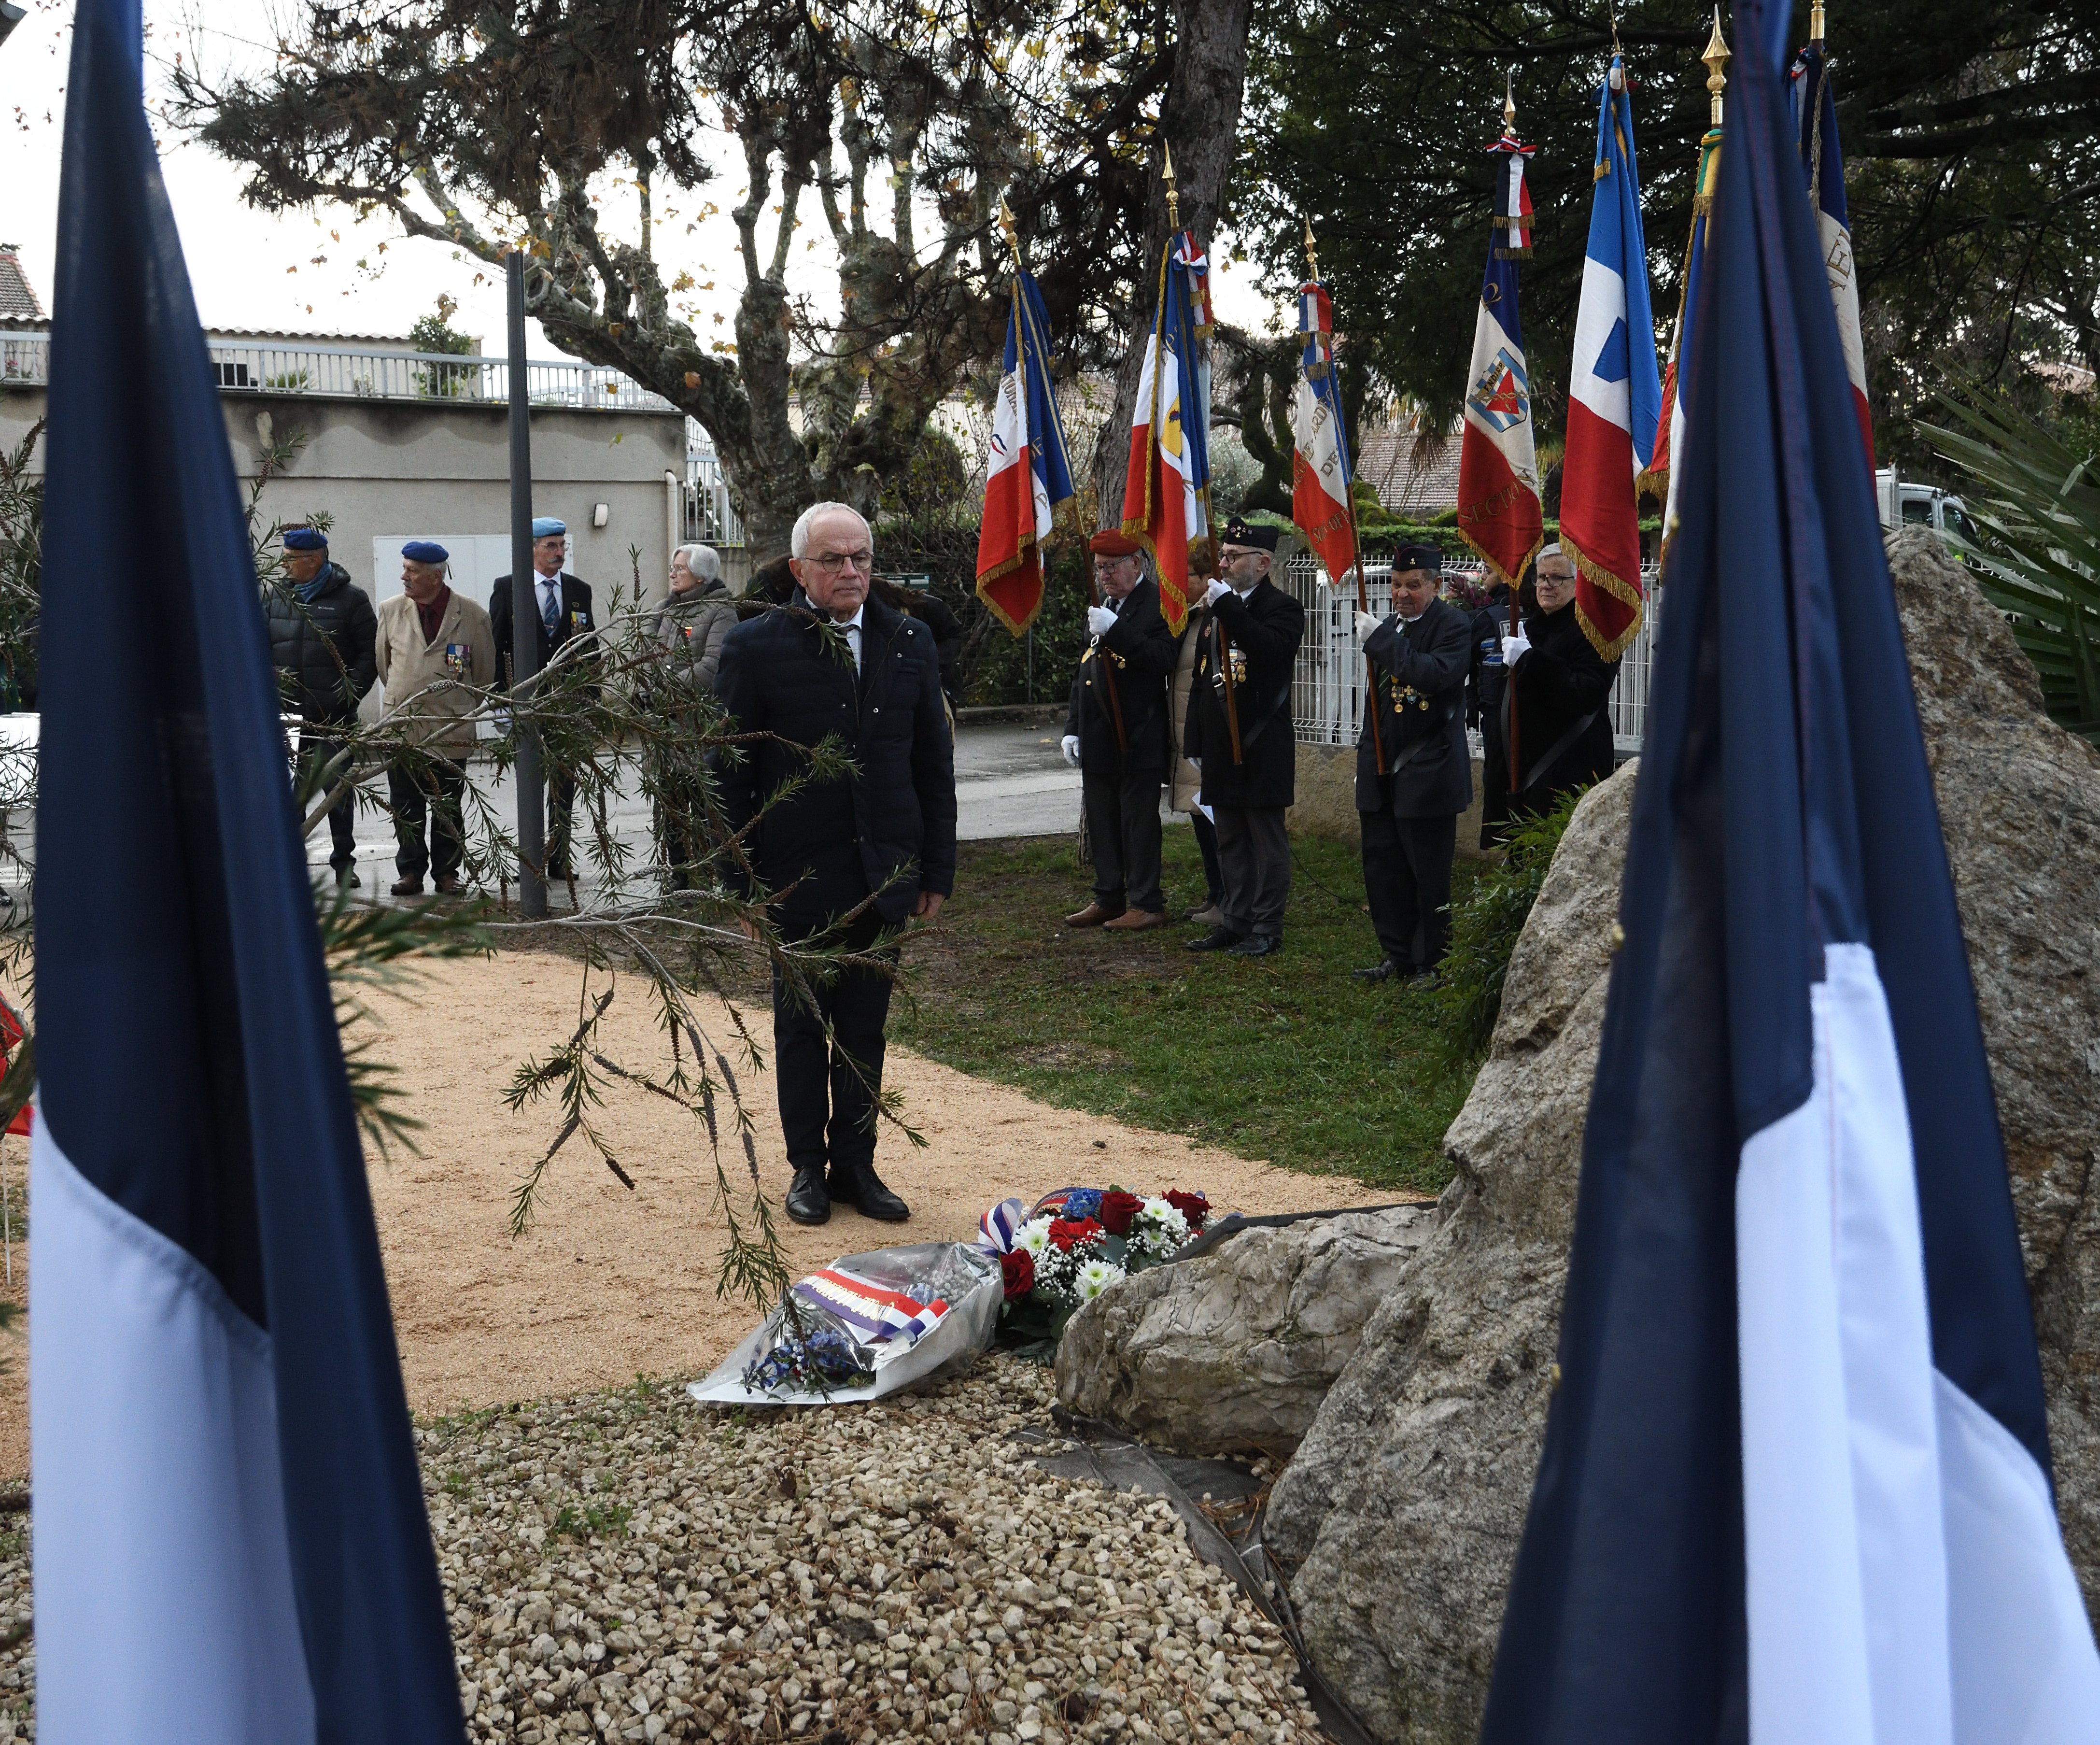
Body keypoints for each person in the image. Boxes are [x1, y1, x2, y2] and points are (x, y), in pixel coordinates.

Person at [715, 502, 957, 1228]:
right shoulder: (755, 647)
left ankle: (856, 1161)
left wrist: (935, 871)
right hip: (795, 877)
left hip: (883, 877)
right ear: (799, 570)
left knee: (864, 1028)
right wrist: (741, 886)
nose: (851, 571)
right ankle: (806, 1169)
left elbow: (932, 766)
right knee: (801, 1029)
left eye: (861, 558)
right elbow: (727, 774)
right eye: (834, 560)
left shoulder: (910, 641)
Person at [1351, 543, 1474, 985]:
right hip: (1382, 769)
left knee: (1427, 874)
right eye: (1396, 584)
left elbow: (1434, 675)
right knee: (1384, 869)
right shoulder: (1388, 626)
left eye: (1413, 585)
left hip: (1427, 770)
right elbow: (1377, 706)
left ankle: (1432, 962)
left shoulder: (1453, 625)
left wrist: (1381, 642)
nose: (1401, 594)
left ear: (1436, 585)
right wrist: (1365, 761)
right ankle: (1397, 954)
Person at [1183, 518, 1305, 957]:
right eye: (1224, 556)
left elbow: (1269, 650)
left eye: (1233, 557)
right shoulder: (1220, 606)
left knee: (1265, 840)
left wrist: (1228, 608)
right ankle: (1235, 919)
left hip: (1261, 742)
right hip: (1220, 741)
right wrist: (1194, 743)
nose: (1225, 563)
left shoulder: (1283, 607)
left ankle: (1267, 925)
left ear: (1263, 562)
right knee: (1229, 836)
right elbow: (1202, 679)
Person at [1060, 531, 1179, 931]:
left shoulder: (1157, 604)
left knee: (1137, 821)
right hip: (1098, 734)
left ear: (1137, 564)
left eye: (1112, 567)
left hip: (1138, 732)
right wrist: (1072, 728)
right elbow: (1085, 671)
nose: (1105, 576)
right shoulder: (1103, 605)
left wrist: (1116, 630)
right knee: (1102, 819)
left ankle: (1146, 901)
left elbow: (1162, 658)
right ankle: (1108, 896)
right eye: (1099, 569)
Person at [373, 541, 496, 896]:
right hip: (403, 726)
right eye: (405, 568)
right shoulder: (391, 610)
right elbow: (385, 667)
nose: (404, 576)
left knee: (447, 805)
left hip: (450, 727)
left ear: (436, 576)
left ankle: (447, 872)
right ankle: (410, 871)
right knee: (405, 803)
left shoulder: (472, 615)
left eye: (412, 570)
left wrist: (457, 703)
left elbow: (485, 674)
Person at [1481, 542, 1622, 840]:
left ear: (1578, 583)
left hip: (1564, 769)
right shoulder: (1532, 625)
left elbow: (1585, 692)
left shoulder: (1595, 630)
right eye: (1542, 577)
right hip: (1519, 765)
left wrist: (1531, 660)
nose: (1546, 585)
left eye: (1556, 578)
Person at [265, 526, 377, 887]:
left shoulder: (351, 600)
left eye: (290, 558)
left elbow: (369, 654)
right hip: (288, 716)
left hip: (334, 717)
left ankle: (344, 863)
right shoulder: (276, 596)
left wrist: (349, 695)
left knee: (338, 793)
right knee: (289, 794)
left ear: (313, 561)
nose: (283, 564)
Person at [491, 516, 596, 880]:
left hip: (567, 704)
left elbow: (589, 646)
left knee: (564, 786)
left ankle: (560, 857)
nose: (559, 552)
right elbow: (497, 646)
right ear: (531, 549)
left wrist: (591, 699)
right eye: (550, 546)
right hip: (527, 704)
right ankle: (531, 858)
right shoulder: (509, 588)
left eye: (562, 545)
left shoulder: (579, 589)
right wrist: (500, 700)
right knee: (531, 787)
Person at [648, 543, 739, 888]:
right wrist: (647, 691)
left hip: (698, 725)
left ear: (701, 576)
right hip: (665, 727)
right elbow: (642, 655)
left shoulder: (721, 611)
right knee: (670, 802)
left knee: (704, 802)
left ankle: (709, 873)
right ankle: (680, 872)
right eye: (672, 568)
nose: (672, 574)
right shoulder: (662, 609)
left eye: (679, 569)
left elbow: (712, 666)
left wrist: (664, 689)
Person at [1166, 575, 1225, 924]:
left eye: (1186, 574)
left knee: (1217, 824)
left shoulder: (1215, 617)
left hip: (1206, 737)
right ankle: (1215, 893)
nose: (1178, 580)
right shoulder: (1187, 618)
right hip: (1187, 738)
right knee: (1200, 821)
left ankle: (1228, 897)